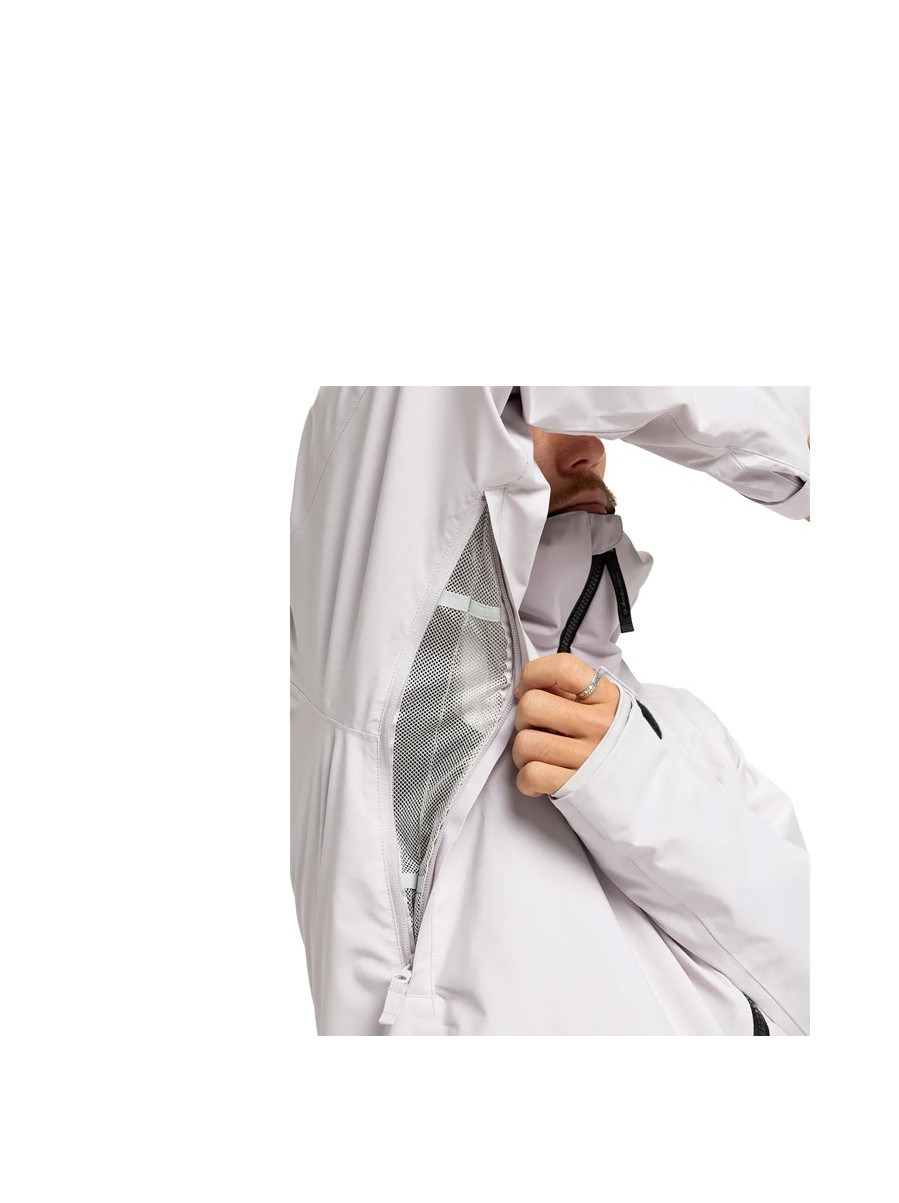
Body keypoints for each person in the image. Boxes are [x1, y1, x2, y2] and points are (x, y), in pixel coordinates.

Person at [290, 386, 810, 1035]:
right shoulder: (396, 682)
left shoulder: (685, 729)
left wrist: (633, 784)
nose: (589, 450)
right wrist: (797, 438)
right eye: (534, 416)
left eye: (594, 422)